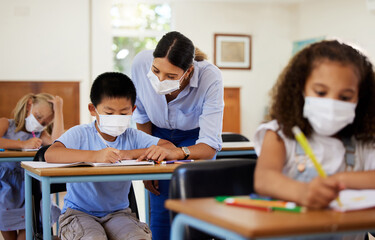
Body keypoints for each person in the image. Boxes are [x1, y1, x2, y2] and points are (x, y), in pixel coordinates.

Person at [45, 72, 180, 240]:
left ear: (133, 110)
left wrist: (129, 154)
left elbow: (168, 147)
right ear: (93, 110)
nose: (117, 118)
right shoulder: (80, 134)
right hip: (79, 213)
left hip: (119, 214)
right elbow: (51, 154)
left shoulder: (132, 136)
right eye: (109, 113)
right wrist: (95, 156)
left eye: (123, 114)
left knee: (139, 237)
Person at [254, 41, 375, 214]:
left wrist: (338, 179)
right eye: (320, 92)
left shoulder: (363, 140)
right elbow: (264, 180)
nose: (332, 103)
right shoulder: (279, 134)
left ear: (361, 98)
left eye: (345, 97)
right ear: (300, 89)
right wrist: (302, 192)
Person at [131, 31, 224, 239]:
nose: (160, 80)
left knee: (195, 207)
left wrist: (179, 152)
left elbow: (208, 146)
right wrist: (148, 165)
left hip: (195, 138)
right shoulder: (140, 63)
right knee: (161, 206)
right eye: (156, 71)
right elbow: (142, 116)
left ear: (188, 72)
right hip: (156, 135)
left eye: (171, 76)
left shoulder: (210, 77)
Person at [0, 93, 64, 240]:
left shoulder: (39, 135)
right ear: (29, 105)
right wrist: (22, 145)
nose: (40, 123)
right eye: (38, 116)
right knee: (7, 228)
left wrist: (59, 110)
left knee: (27, 234)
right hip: (5, 190)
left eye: (45, 123)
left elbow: (58, 143)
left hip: (28, 189)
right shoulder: (6, 124)